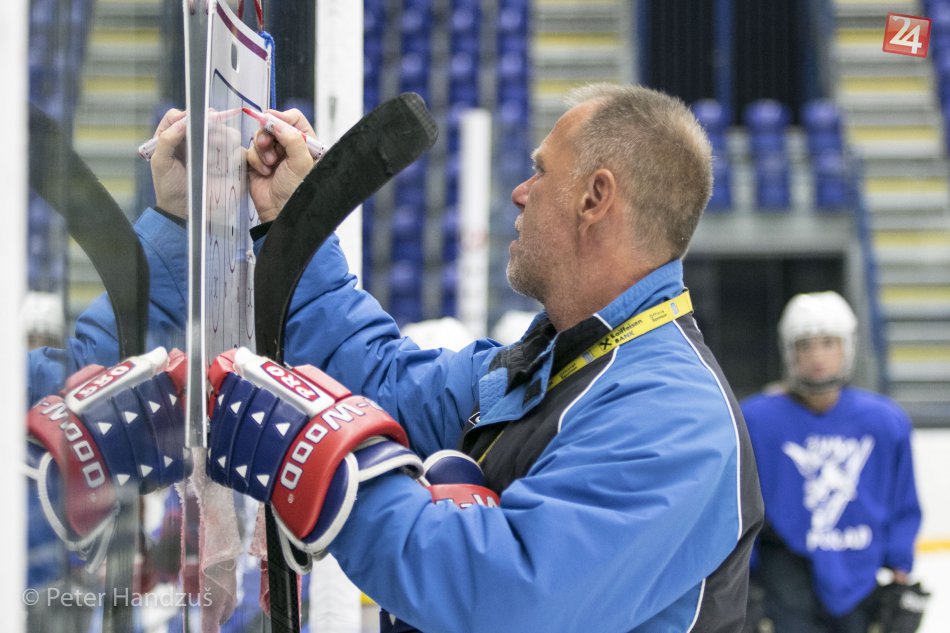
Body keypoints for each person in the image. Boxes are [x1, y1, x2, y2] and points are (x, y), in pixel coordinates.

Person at [202, 83, 764, 632]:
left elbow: (505, 597)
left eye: (541, 171)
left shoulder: (672, 414)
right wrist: (296, 221)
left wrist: (331, 475)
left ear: (595, 198)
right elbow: (377, 380)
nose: (521, 192)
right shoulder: (553, 364)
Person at [741, 291, 922, 633]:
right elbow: (738, 509)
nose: (817, 356)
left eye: (828, 343)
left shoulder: (885, 421)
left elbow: (903, 500)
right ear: (789, 351)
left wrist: (900, 566)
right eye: (805, 345)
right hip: (786, 577)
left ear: (847, 348)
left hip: (861, 580)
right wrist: (743, 577)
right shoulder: (755, 420)